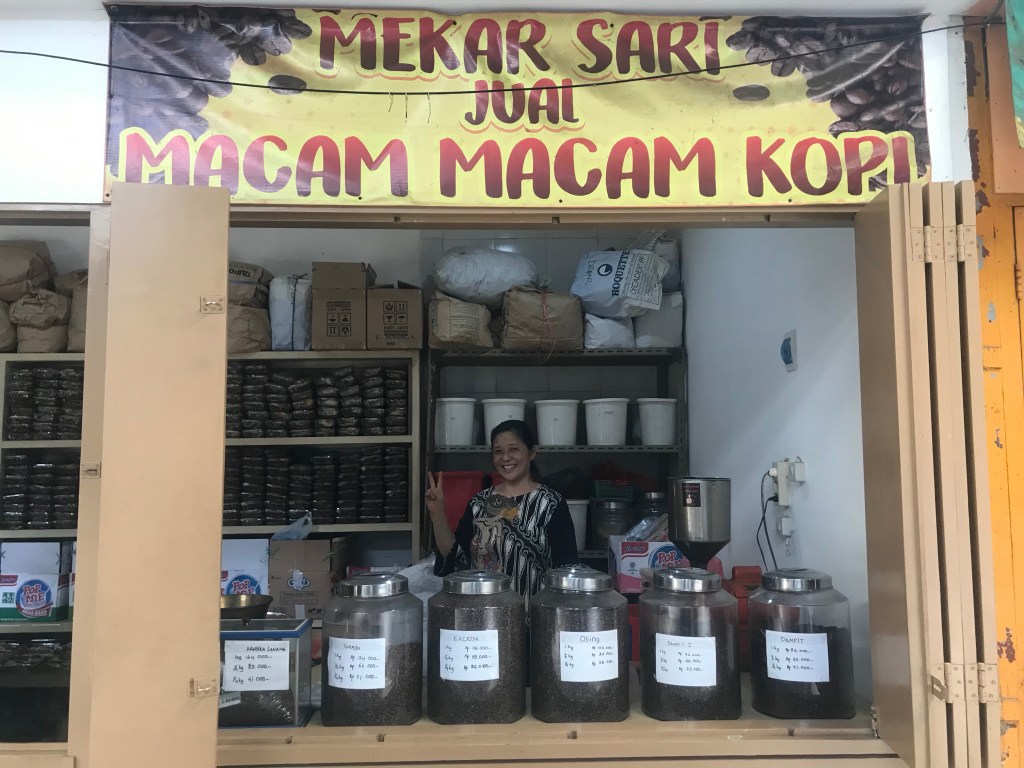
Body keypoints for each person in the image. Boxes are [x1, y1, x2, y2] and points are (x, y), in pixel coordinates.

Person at [426, 419, 578, 599]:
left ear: (531, 453)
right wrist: (437, 514)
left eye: (513, 449)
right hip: (483, 611)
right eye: (498, 451)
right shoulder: (479, 503)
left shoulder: (550, 503)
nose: (505, 458)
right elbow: (455, 558)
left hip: (534, 612)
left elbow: (567, 569)